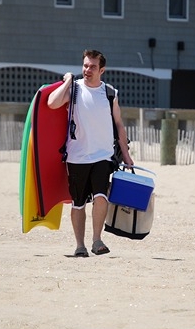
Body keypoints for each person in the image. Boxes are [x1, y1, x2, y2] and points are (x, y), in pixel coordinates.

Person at [47, 49, 133, 257]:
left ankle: (97, 240)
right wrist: (67, 81)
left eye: (92, 66)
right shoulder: (74, 90)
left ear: (101, 70)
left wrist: (126, 155)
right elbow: (52, 103)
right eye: (85, 65)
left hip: (103, 156)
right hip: (77, 156)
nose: (87, 69)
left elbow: (119, 125)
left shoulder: (109, 92)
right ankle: (80, 245)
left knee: (101, 196)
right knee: (77, 203)